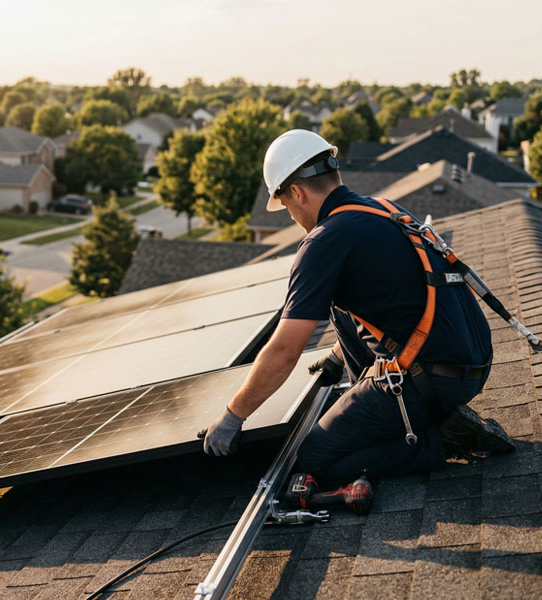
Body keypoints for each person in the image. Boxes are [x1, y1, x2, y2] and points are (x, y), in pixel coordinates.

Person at [201, 129, 513, 485]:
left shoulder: (323, 242)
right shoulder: (381, 208)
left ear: (297, 193)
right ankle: (372, 406)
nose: (290, 216)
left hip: (431, 380)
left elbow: (286, 350)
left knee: (316, 457)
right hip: (471, 360)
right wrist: (336, 356)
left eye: (286, 206)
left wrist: (233, 416)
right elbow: (391, 300)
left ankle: (441, 438)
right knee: (337, 301)